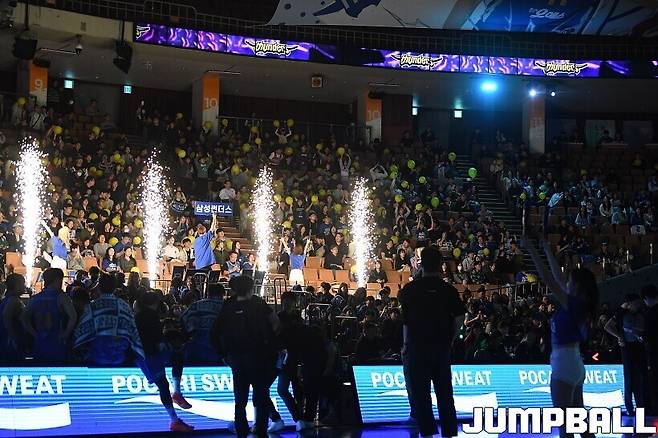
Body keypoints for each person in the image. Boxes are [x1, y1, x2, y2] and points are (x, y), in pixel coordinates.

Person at [528, 240, 598, 438]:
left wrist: (531, 249)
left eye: (570, 281)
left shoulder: (574, 304)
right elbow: (557, 278)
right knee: (580, 424)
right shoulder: (580, 304)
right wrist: (546, 247)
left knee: (565, 427)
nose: (566, 282)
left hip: (564, 365)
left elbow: (547, 278)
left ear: (576, 286)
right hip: (575, 364)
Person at [398, 246, 464, 438]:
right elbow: (460, 318)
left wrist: (405, 345)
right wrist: (450, 339)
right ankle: (449, 433)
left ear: (421, 264)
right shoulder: (448, 290)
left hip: (417, 348)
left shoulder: (409, 290)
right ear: (440, 265)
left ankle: (427, 433)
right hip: (441, 348)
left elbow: (406, 321)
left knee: (421, 395)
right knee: (445, 394)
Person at [211, 275, 279, 437]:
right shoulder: (258, 304)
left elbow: (214, 332)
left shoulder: (228, 306)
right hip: (258, 356)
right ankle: (260, 430)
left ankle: (241, 430)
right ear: (251, 288)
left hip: (236, 357)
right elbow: (275, 322)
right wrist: (270, 344)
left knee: (240, 399)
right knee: (261, 394)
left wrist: (222, 353)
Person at [134, 291, 195, 432]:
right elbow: (154, 339)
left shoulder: (141, 315)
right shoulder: (150, 316)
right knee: (163, 384)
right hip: (147, 356)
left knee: (176, 359)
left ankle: (177, 396)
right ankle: (174, 420)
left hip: (148, 354)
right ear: (156, 303)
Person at [73, 272, 144, 365]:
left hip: (97, 356)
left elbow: (80, 334)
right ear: (114, 288)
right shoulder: (124, 306)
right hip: (120, 356)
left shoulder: (91, 307)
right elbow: (133, 332)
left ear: (99, 287)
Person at [21, 268, 77, 364]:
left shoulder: (35, 298)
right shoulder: (62, 297)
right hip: (57, 342)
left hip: (40, 341)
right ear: (57, 280)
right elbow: (73, 317)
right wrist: (65, 335)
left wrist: (33, 333)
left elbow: (24, 318)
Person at [605, 293, 648, 416]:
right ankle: (630, 408)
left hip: (639, 348)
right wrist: (620, 336)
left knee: (640, 378)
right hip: (627, 349)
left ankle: (642, 406)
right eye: (636, 303)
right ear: (629, 304)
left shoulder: (641, 313)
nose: (638, 305)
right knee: (629, 379)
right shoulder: (620, 314)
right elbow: (607, 326)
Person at [180, 282, 224, 364]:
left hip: (198, 342)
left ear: (208, 293)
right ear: (222, 294)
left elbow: (184, 318)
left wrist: (191, 332)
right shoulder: (226, 306)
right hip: (220, 344)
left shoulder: (197, 305)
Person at [0, 273, 26, 363]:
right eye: (23, 284)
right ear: (16, 285)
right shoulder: (13, 301)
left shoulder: (6, 299)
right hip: (10, 341)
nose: (24, 287)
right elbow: (6, 317)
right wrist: (13, 337)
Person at [641, 284, 658, 415]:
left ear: (647, 298)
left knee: (654, 381)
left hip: (654, 353)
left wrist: (640, 336)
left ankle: (655, 409)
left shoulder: (650, 314)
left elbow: (648, 335)